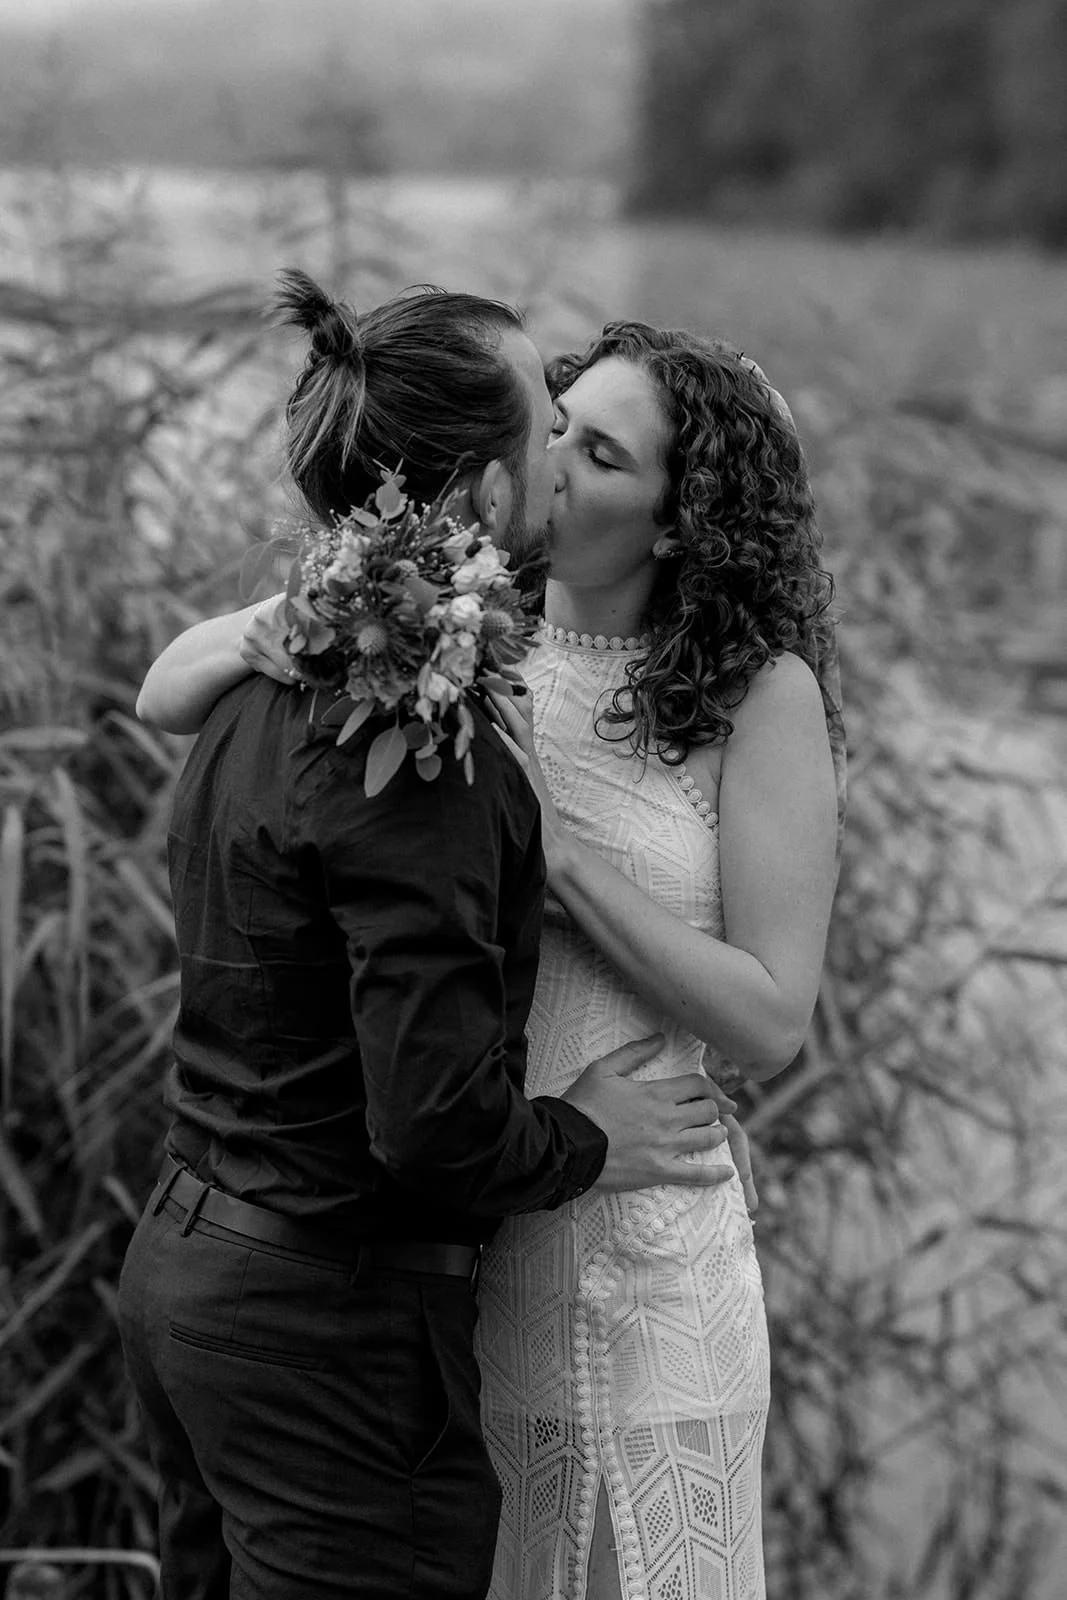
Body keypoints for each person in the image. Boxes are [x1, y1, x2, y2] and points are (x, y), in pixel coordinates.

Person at [140, 308, 844, 1599]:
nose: (557, 460)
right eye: (560, 424)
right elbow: (171, 686)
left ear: (681, 522)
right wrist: (270, 621)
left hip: (642, 1233)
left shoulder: (758, 695)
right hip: (487, 1233)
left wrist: (566, 866)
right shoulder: (456, 634)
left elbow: (772, 1017)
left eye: (605, 456)